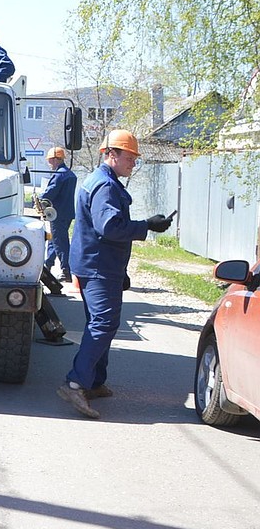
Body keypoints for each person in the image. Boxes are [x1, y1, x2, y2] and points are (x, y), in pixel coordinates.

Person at [57, 129, 172, 418]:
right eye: (130, 157)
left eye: (135, 158)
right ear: (111, 154)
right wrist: (147, 225)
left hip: (98, 265)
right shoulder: (105, 186)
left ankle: (94, 381)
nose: (134, 163)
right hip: (98, 267)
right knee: (104, 323)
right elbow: (109, 227)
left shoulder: (101, 181)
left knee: (100, 322)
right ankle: (75, 383)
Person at [40, 146, 77, 283]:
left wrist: (39, 198)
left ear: (56, 159)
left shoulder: (59, 175)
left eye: (50, 160)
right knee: (55, 240)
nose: (49, 163)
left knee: (60, 242)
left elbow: (50, 193)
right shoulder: (70, 174)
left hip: (57, 213)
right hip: (66, 213)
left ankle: (66, 271)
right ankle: (47, 265)